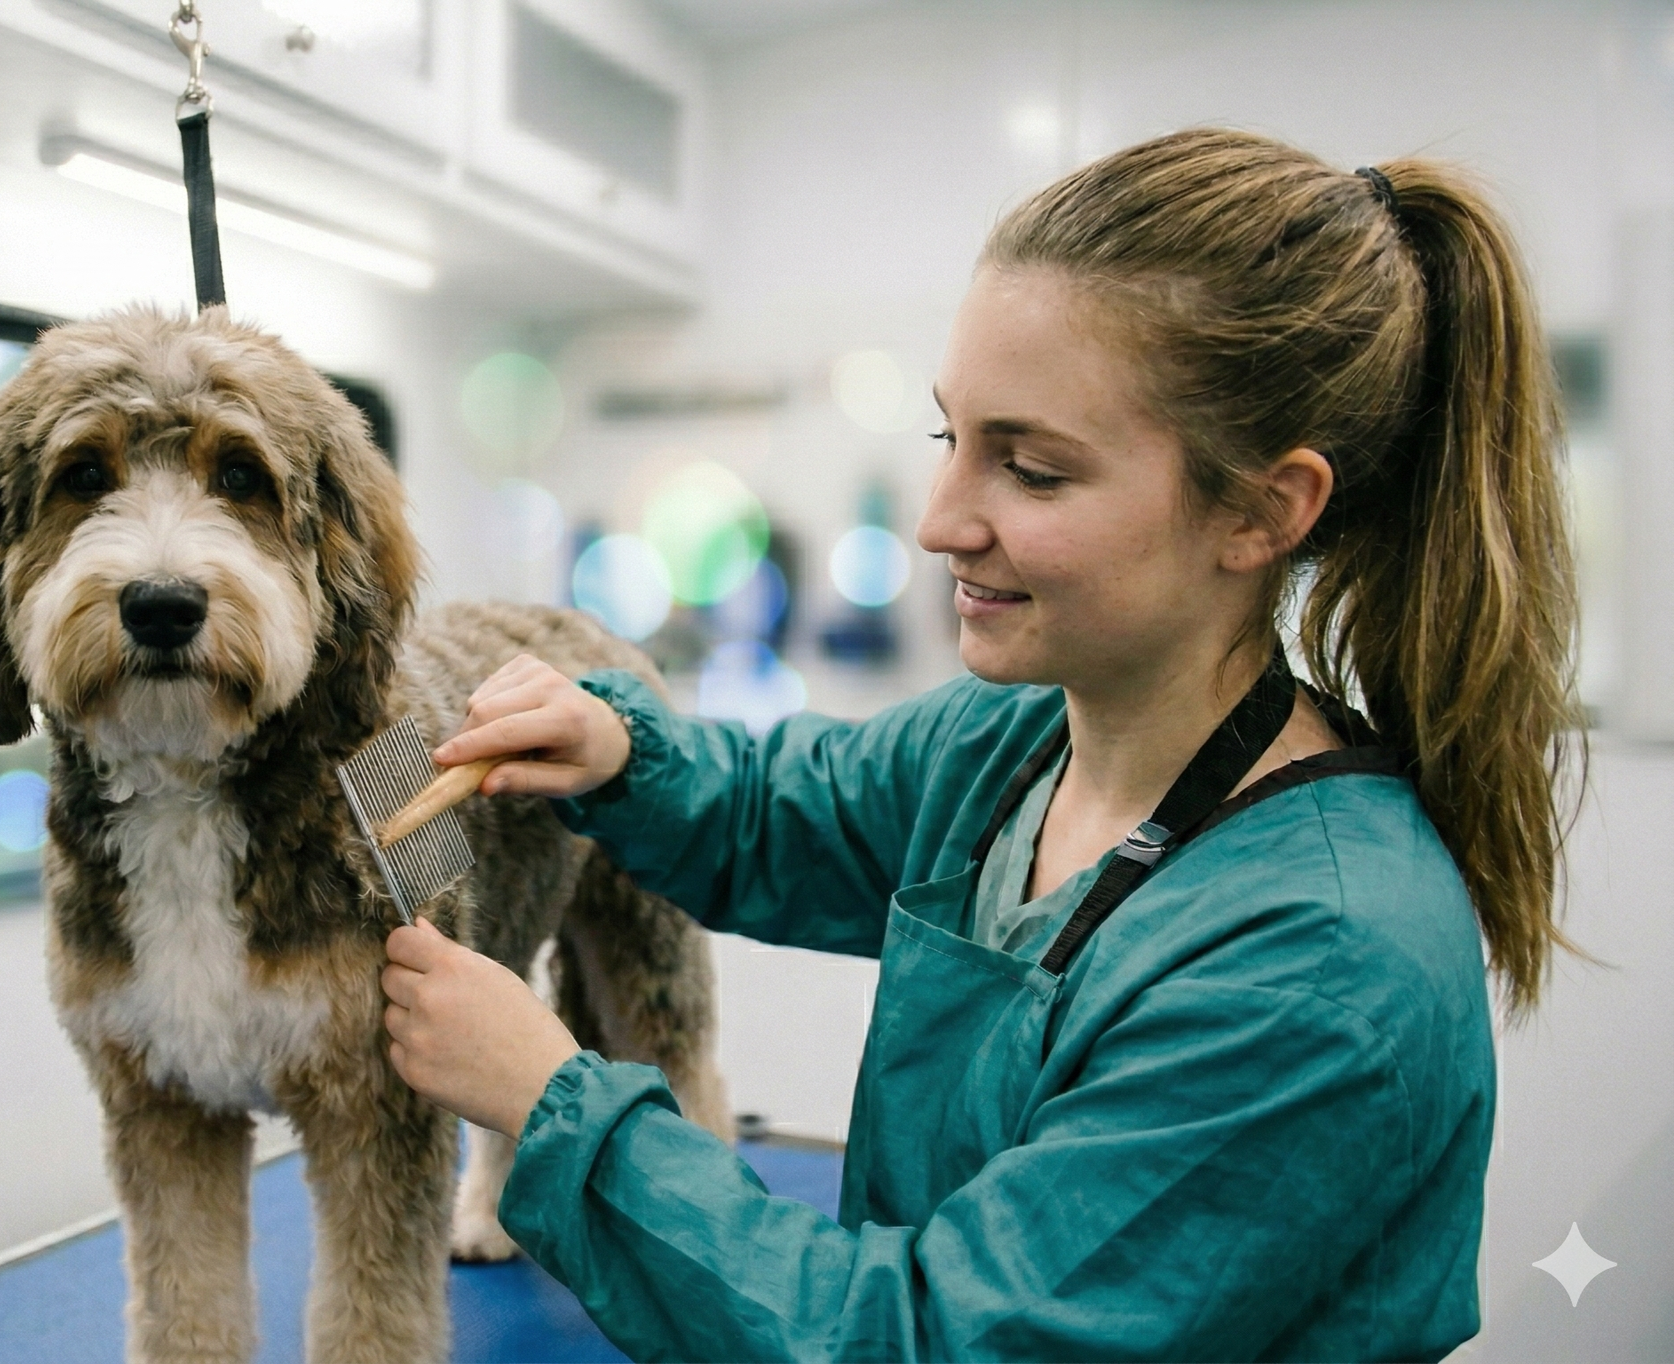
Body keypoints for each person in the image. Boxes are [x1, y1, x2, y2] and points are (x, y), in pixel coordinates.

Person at [378, 127, 1580, 1361]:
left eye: (1035, 470)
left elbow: (943, 1339)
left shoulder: (1318, 959)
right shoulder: (1014, 743)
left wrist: (550, 1101)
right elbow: (784, 809)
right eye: (952, 439)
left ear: (1263, 510)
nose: (943, 522)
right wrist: (617, 748)